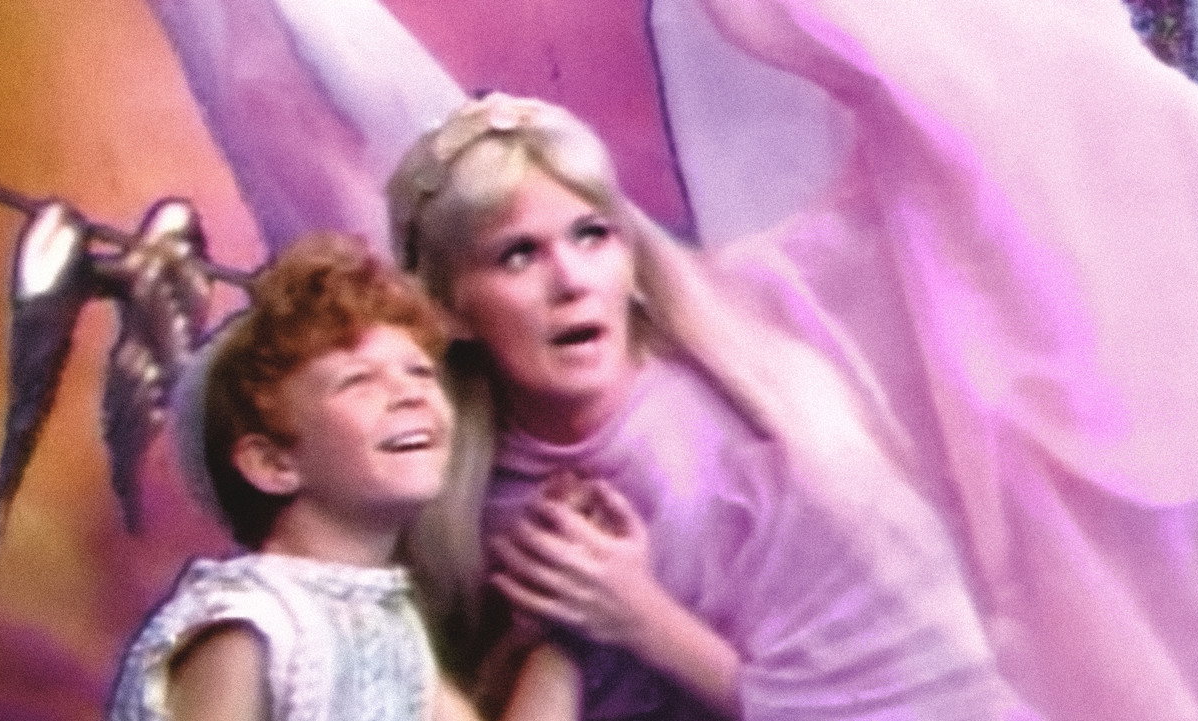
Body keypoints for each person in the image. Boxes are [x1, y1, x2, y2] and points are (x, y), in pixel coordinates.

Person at [389, 92, 1030, 720]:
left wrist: (640, 617)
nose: (572, 281)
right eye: (519, 255)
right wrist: (535, 640)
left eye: (592, 236)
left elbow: (915, 699)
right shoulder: (443, 492)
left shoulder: (759, 440)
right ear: (446, 310)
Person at [108, 233, 479, 721]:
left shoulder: (390, 623)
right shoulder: (251, 627)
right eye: (358, 380)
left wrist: (556, 645)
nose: (411, 394)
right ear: (273, 464)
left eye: (421, 372)